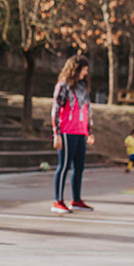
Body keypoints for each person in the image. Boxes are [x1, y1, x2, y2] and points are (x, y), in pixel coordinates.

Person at [50, 55, 96, 214]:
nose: (86, 72)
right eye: (85, 68)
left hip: (80, 132)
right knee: (64, 166)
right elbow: (55, 109)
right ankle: (58, 201)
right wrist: (56, 133)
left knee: (79, 167)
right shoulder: (63, 85)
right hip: (67, 132)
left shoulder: (82, 86)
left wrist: (89, 131)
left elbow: (86, 109)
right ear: (76, 68)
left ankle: (76, 200)